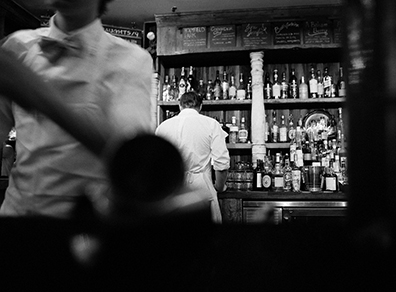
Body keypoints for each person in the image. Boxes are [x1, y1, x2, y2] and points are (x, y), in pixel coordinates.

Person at [0, 0, 154, 218]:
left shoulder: (131, 60)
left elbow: (130, 159)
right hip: (18, 219)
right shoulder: (18, 47)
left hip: (89, 225)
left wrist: (41, 96)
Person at [155, 91, 230, 223]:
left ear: (180, 105)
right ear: (200, 107)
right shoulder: (211, 124)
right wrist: (219, 187)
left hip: (172, 191)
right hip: (201, 189)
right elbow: (222, 164)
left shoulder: (163, 126)